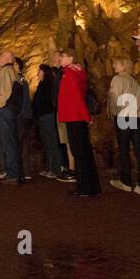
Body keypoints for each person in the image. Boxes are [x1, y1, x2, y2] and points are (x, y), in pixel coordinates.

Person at [56, 49, 101, 198]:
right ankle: (91, 185)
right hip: (77, 116)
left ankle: (84, 187)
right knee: (84, 152)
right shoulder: (77, 72)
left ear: (70, 58)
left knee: (79, 153)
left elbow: (75, 97)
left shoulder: (69, 74)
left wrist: (86, 116)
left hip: (73, 116)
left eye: (62, 56)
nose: (60, 59)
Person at [108, 53, 140, 194]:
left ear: (123, 65)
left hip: (124, 117)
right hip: (137, 117)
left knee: (124, 149)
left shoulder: (117, 79)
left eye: (116, 63)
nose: (113, 65)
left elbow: (114, 99)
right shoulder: (134, 81)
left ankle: (126, 181)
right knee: (139, 149)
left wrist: (114, 114)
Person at [0, 52, 23, 185]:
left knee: (8, 142)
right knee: (11, 141)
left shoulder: (5, 71)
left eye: (0, 57)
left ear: (7, 59)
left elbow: (4, 92)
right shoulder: (12, 71)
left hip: (5, 110)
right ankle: (16, 173)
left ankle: (13, 174)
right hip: (11, 110)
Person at [33, 63, 65, 179]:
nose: (38, 73)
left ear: (44, 72)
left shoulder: (47, 84)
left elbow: (44, 101)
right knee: (47, 142)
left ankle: (55, 168)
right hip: (43, 116)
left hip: (47, 115)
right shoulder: (42, 84)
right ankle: (50, 167)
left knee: (51, 141)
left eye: (39, 71)